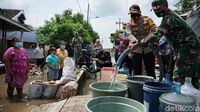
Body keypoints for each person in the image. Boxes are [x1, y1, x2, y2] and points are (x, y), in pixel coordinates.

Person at [134, 0, 200, 88]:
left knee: (181, 78)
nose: (156, 11)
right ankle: (192, 99)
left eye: (158, 8)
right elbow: (159, 37)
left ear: (166, 6)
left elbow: (155, 35)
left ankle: (181, 99)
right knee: (192, 79)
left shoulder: (170, 18)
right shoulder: (168, 16)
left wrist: (137, 44)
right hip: (188, 49)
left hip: (188, 49)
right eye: (154, 9)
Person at [127, 4, 156, 78]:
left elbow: (155, 30)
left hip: (148, 48)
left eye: (136, 13)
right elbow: (129, 34)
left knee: (150, 70)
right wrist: (135, 41)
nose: (134, 15)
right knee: (137, 70)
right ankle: (137, 86)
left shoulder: (148, 19)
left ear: (140, 12)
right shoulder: (129, 23)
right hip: (136, 49)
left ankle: (151, 85)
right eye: (132, 14)